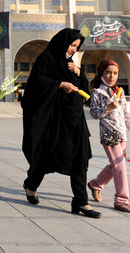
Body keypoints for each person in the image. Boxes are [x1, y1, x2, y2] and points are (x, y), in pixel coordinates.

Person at [21, 28, 101, 218]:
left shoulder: (71, 64)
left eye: (77, 46)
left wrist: (80, 72)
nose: (74, 49)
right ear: (62, 42)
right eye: (72, 45)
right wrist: (59, 84)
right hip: (54, 119)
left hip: (75, 119)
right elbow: (36, 84)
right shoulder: (46, 59)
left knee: (80, 159)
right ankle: (31, 184)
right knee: (47, 155)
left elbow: (85, 90)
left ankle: (80, 201)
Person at [88, 60, 130, 213]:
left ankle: (96, 184)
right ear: (101, 73)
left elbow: (126, 113)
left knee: (115, 164)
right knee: (120, 166)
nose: (111, 76)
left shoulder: (119, 91)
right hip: (109, 134)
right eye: (108, 72)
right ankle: (121, 200)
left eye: (115, 73)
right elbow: (94, 113)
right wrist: (108, 108)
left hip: (122, 135)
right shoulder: (97, 92)